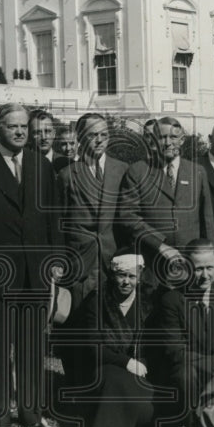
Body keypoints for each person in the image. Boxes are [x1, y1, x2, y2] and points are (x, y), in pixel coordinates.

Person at [0, 103, 62, 427]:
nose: (20, 132)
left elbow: (52, 218)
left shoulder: (39, 165)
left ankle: (31, 412)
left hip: (34, 270)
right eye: (13, 127)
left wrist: (54, 259)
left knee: (32, 343)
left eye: (24, 127)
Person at [146, 239, 214, 427]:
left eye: (210, 268)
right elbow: (175, 352)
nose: (205, 276)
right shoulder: (172, 300)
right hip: (188, 376)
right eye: (199, 269)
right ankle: (191, 423)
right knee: (185, 373)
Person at [70, 252, 156, 427]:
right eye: (121, 275)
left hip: (139, 369)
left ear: (139, 277)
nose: (126, 282)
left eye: (132, 276)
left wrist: (140, 363)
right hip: (103, 365)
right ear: (112, 275)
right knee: (114, 380)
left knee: (145, 406)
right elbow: (93, 348)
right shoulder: (97, 300)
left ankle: (125, 420)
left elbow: (153, 345)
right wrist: (126, 362)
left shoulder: (147, 303)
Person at [119, 116, 214, 274]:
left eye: (173, 137)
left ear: (182, 139)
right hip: (152, 262)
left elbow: (208, 221)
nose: (167, 142)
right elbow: (128, 216)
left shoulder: (197, 172)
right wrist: (160, 245)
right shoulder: (138, 171)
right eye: (162, 137)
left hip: (191, 263)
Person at [57, 112, 129, 304]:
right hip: (81, 265)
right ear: (80, 137)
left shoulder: (122, 170)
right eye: (92, 135)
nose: (99, 140)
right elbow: (59, 224)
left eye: (103, 135)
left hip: (115, 262)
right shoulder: (66, 175)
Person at [30, 108, 70, 173]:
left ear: (54, 134)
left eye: (47, 131)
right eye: (37, 132)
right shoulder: (20, 162)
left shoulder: (66, 164)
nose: (43, 137)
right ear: (29, 135)